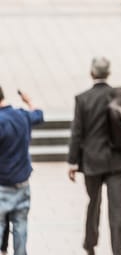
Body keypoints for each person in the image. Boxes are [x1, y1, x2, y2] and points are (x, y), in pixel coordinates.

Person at [67, 57, 121, 255]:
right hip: (117, 159)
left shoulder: (83, 99)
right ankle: (118, 249)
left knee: (93, 203)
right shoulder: (120, 95)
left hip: (92, 160)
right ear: (108, 73)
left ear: (91, 73)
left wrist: (72, 161)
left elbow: (77, 132)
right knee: (118, 207)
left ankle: (90, 243)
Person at [0, 86, 44, 255]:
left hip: (3, 184)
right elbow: (39, 115)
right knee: (20, 227)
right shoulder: (22, 115)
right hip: (22, 184)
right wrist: (29, 101)